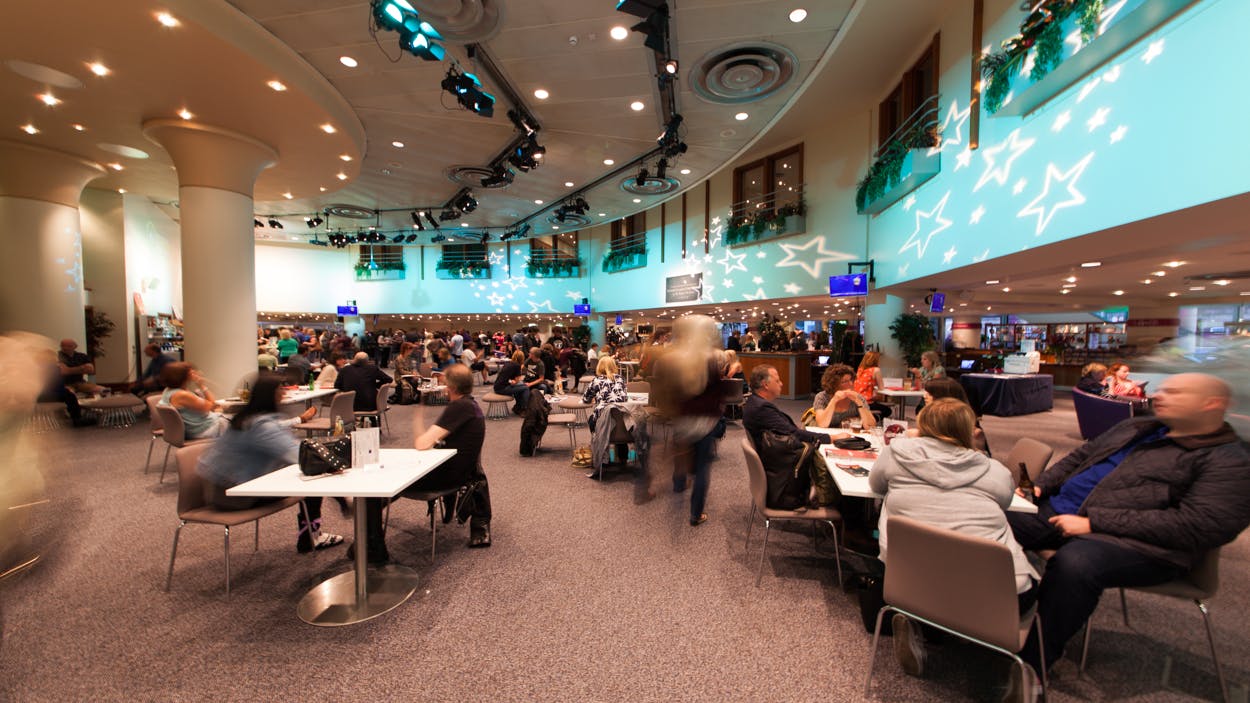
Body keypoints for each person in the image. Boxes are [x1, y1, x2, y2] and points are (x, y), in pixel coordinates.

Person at [1007, 373, 1250, 684]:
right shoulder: (1137, 427)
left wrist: (1094, 523)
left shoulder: (1229, 461)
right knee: (985, 515)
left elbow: (1199, 526)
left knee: (1076, 565)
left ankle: (1032, 667)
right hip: (1059, 512)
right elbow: (1081, 457)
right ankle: (985, 615)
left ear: (1212, 404)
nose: (1160, 395)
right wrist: (1041, 485)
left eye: (1175, 392)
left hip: (1136, 544)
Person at [870, 398, 1038, 682]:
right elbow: (1005, 501)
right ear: (970, 430)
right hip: (997, 596)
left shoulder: (896, 453)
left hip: (909, 582)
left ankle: (918, 623)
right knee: (1041, 584)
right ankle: (1023, 671)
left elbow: (876, 487)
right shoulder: (993, 470)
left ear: (922, 424)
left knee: (889, 520)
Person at [196, 373, 342, 552]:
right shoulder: (262, 426)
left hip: (220, 488)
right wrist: (335, 461)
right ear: (271, 394)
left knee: (304, 470)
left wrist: (299, 420)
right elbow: (300, 455)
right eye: (280, 389)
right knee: (311, 474)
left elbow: (277, 430)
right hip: (236, 496)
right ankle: (312, 535)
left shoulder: (246, 418)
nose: (284, 393)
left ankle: (318, 526)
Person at [361, 365, 492, 563]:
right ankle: (369, 535)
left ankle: (372, 546)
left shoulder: (459, 407)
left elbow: (422, 444)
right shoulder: (471, 406)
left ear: (451, 387)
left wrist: (418, 417)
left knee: (375, 486)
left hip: (445, 477)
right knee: (384, 483)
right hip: (456, 473)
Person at [647, 315, 728, 525]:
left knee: (681, 451)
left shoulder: (673, 359)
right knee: (702, 468)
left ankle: (678, 483)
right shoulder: (709, 360)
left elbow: (665, 391)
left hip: (682, 418)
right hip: (705, 422)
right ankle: (695, 514)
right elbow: (719, 393)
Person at [744, 364, 835, 449]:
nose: (781, 384)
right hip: (783, 460)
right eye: (777, 381)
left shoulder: (755, 402)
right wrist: (830, 438)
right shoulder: (761, 408)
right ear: (766, 385)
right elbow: (793, 433)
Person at [158, 362, 229, 439]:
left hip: (192, 429)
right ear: (184, 376)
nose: (195, 374)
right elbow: (212, 406)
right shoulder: (182, 395)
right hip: (204, 430)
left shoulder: (168, 390)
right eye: (191, 373)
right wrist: (202, 385)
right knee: (240, 422)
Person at [919, 377, 989, 455]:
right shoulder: (928, 422)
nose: (925, 396)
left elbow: (978, 461)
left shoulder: (974, 435)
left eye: (930, 393)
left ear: (944, 397)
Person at [811, 363, 877, 430]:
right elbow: (822, 424)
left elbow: (870, 426)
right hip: (827, 436)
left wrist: (859, 403)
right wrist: (834, 400)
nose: (851, 384)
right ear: (834, 384)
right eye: (845, 381)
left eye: (851, 380)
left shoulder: (858, 397)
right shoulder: (822, 397)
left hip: (849, 436)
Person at [493, 350, 529, 415]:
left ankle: (518, 407)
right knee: (525, 388)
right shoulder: (517, 366)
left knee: (520, 387)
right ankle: (524, 409)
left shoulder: (508, 363)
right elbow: (516, 381)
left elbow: (507, 377)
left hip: (497, 386)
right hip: (502, 388)